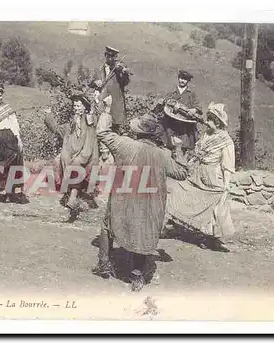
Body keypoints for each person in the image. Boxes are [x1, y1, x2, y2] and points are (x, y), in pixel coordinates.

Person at [92, 110, 188, 292]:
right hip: (150, 206)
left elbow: (102, 132)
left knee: (107, 224)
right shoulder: (163, 155)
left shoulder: (125, 144)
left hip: (123, 201)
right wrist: (177, 148)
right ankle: (136, 275)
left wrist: (106, 110)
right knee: (143, 230)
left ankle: (104, 264)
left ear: (138, 132)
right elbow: (182, 173)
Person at [165, 102, 236, 249]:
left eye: (210, 120)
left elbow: (227, 165)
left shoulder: (226, 141)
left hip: (212, 175)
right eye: (208, 119)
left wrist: (227, 184)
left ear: (218, 122)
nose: (207, 122)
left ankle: (207, 237)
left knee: (211, 205)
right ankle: (175, 225)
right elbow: (198, 152)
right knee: (182, 192)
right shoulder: (206, 135)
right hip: (199, 172)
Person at [44, 93, 100, 221]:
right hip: (73, 155)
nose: (76, 108)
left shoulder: (89, 120)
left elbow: (94, 119)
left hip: (88, 153)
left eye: (79, 105)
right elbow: (57, 129)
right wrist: (48, 115)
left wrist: (95, 102)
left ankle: (74, 197)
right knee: (64, 161)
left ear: (85, 107)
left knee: (77, 165)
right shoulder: (70, 125)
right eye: (74, 105)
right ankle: (73, 196)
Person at [93, 46, 132, 161]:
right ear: (105, 55)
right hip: (102, 104)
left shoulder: (118, 69)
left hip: (115, 106)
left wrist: (124, 72)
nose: (109, 58)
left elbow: (125, 82)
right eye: (107, 56)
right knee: (100, 128)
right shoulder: (100, 68)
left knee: (114, 132)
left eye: (112, 56)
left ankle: (113, 159)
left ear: (116, 57)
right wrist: (96, 82)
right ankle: (101, 157)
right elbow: (91, 82)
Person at [160, 70, 203, 157]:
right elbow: (165, 103)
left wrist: (194, 110)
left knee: (184, 147)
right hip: (172, 124)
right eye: (181, 78)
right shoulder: (172, 92)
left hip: (185, 126)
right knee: (171, 146)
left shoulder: (191, 94)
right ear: (178, 78)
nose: (182, 81)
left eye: (185, 79)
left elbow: (198, 107)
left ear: (188, 81)